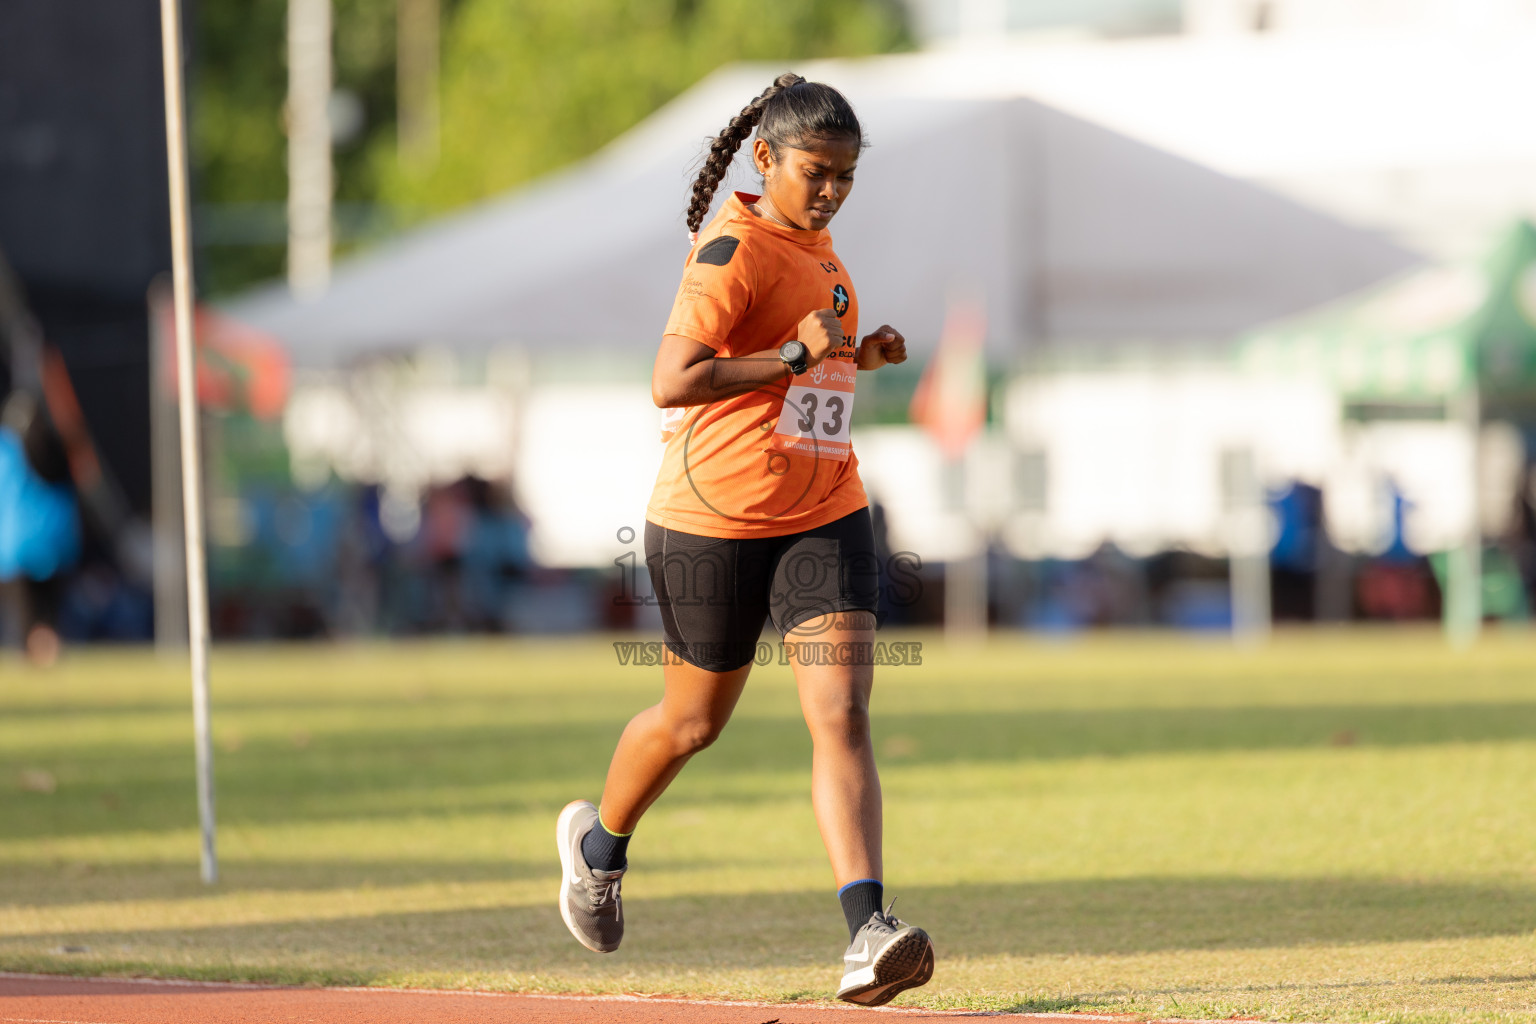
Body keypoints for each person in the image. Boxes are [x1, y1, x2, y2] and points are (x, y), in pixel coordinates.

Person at [555, 72, 933, 1007]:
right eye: (817, 171)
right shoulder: (734, 249)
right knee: (692, 724)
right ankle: (597, 849)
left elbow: (801, 383)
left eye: (846, 175)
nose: (833, 189)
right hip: (711, 522)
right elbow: (673, 379)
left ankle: (867, 931)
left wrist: (855, 355)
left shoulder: (820, 249)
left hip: (826, 511)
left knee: (841, 713)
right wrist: (801, 354)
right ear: (765, 160)